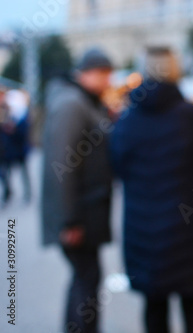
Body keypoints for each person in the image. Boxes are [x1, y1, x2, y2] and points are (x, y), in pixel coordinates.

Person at [110, 47, 193, 333]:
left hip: (144, 233)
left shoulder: (126, 120)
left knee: (154, 310)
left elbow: (117, 169)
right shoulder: (191, 115)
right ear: (175, 70)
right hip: (191, 232)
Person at [41, 48, 114, 333]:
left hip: (87, 210)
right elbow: (62, 165)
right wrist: (68, 220)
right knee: (87, 278)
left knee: (86, 278)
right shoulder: (72, 104)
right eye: (104, 74)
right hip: (79, 215)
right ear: (87, 72)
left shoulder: (85, 102)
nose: (108, 81)